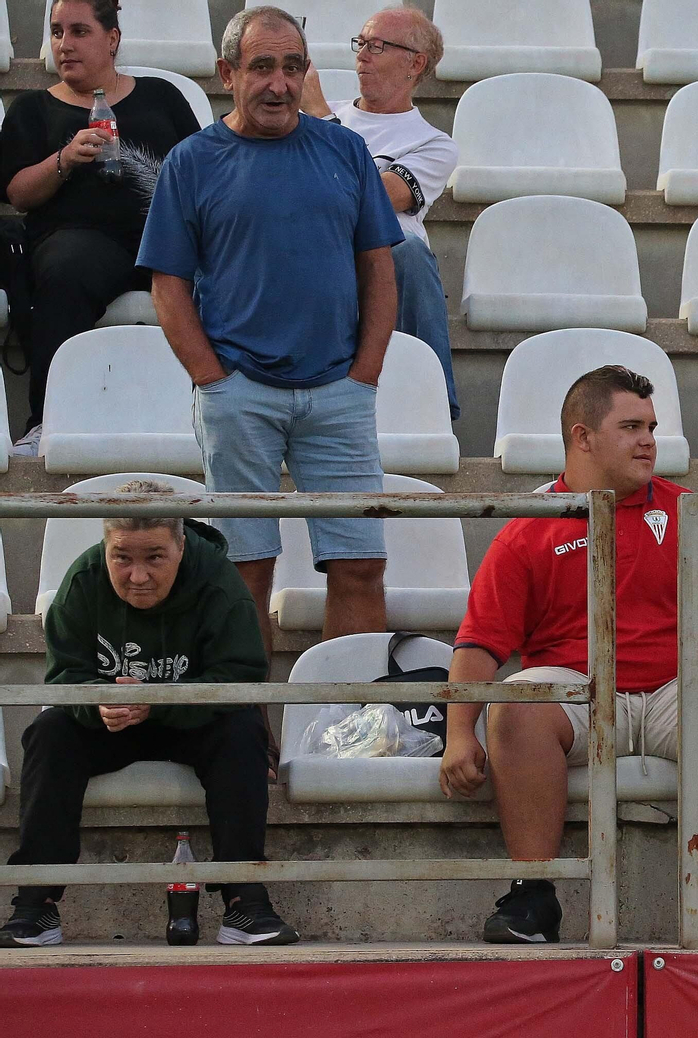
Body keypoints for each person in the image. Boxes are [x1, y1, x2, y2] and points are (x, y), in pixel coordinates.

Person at [438, 366, 698, 946]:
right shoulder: (529, 527)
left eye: (653, 427)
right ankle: (533, 895)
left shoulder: (684, 508)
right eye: (631, 427)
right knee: (516, 706)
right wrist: (458, 733)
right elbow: (482, 641)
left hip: (675, 688)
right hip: (581, 691)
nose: (650, 441)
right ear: (582, 437)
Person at [138, 6, 402, 659]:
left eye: (293, 67)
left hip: (339, 393)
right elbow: (167, 286)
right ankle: (251, 749)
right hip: (239, 396)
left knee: (361, 567)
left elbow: (379, 268)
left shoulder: (344, 149)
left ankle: (348, 740)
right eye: (262, 68)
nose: (280, 84)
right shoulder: (192, 162)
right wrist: (213, 381)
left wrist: (364, 373)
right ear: (228, 73)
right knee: (242, 576)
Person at [1, 480, 296, 948]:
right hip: (113, 721)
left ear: (181, 545)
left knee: (242, 730)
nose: (137, 576)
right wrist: (97, 701)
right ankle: (35, 903)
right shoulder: (82, 582)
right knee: (50, 730)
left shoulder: (220, 584)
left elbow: (241, 681)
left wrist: (158, 699)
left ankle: (245, 900)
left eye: (154, 557)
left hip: (195, 721)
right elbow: (62, 681)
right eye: (123, 558)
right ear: (106, 546)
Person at [0, 0, 201, 455]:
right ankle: (47, 421)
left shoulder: (161, 95)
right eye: (56, 32)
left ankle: (222, 415)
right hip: (82, 240)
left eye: (79, 31)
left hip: (165, 235)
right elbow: (17, 194)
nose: (63, 45)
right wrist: (64, 159)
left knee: (228, 265)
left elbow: (204, 167)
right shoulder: (34, 109)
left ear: (112, 38)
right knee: (66, 269)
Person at [301, 5, 461, 419]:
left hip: (385, 261)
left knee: (404, 247)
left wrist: (320, 117)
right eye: (361, 43)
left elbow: (377, 197)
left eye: (377, 46)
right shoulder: (310, 116)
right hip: (312, 249)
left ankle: (435, 406)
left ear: (415, 63)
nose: (361, 55)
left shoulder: (433, 144)